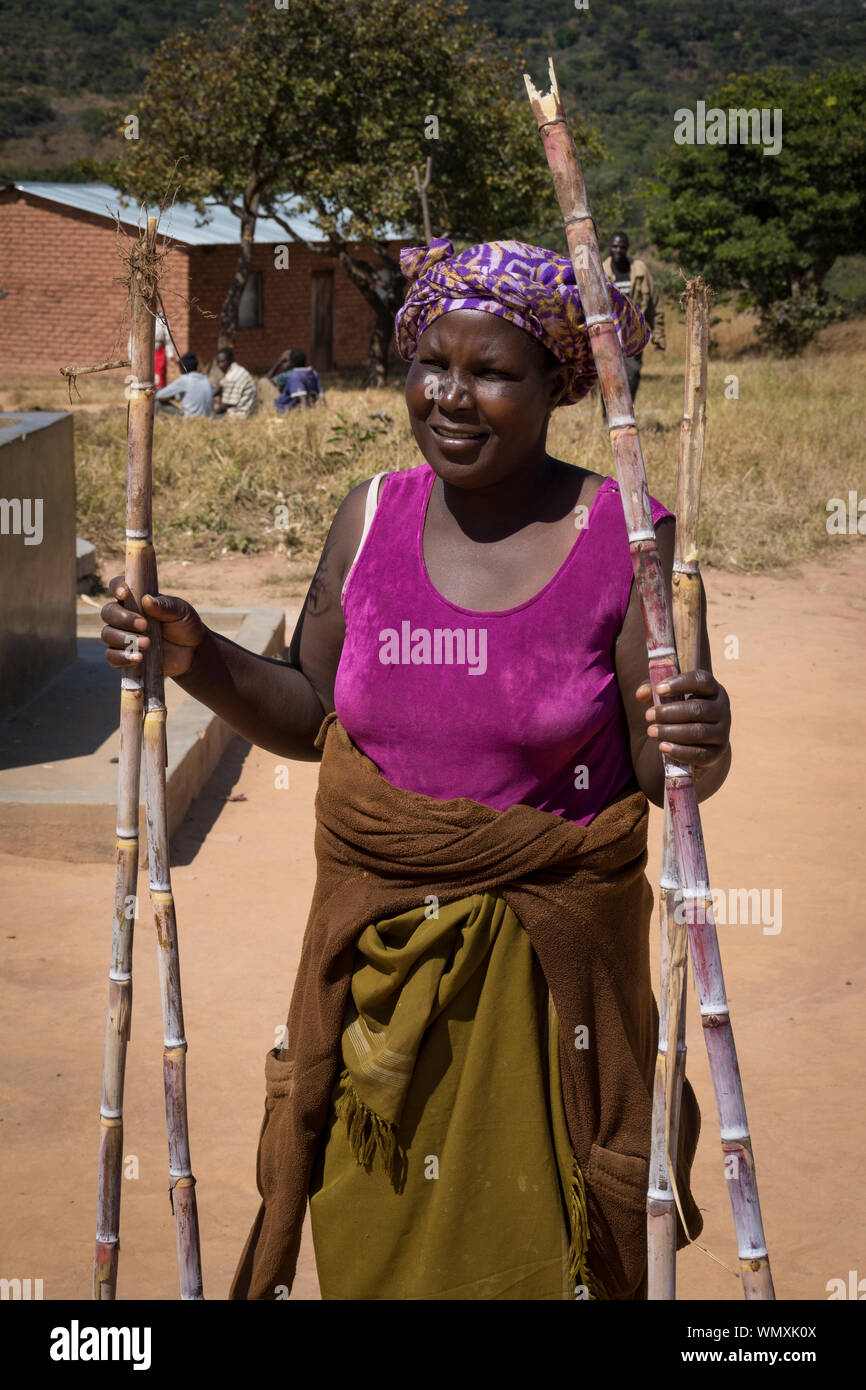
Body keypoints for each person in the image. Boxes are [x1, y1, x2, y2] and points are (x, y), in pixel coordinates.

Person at [99, 236, 732, 1302]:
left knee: (541, 1254)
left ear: (554, 384)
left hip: (546, 1008)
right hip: (377, 1003)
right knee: (375, 1240)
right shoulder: (372, 517)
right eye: (430, 365)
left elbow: (661, 773)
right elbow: (310, 716)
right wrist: (192, 653)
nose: (449, 397)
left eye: (489, 372)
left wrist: (700, 741)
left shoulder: (625, 541)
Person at [602, 232, 666, 405]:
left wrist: (659, 336)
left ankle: (627, 413)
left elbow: (654, 304)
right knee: (609, 376)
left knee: (633, 374)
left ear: (627, 248)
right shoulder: (601, 271)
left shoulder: (640, 270)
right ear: (609, 247)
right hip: (608, 333)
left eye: (622, 247)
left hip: (633, 332)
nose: (618, 250)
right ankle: (607, 418)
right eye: (615, 246)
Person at [154, 352, 214, 418]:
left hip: (191, 419)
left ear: (183, 368)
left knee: (158, 402)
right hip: (207, 418)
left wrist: (157, 391)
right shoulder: (205, 378)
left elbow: (159, 395)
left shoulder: (185, 379)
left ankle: (154, 423)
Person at [127, 312, 174, 390]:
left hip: (158, 352)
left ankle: (159, 395)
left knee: (159, 373)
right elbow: (132, 338)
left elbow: (168, 337)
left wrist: (170, 352)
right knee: (144, 374)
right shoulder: (140, 319)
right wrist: (131, 354)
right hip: (143, 352)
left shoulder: (162, 320)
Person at [212, 347, 259, 418]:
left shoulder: (231, 377)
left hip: (243, 414)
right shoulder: (237, 369)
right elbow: (221, 387)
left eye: (222, 361)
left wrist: (213, 412)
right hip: (251, 410)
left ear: (231, 360)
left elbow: (226, 405)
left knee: (213, 418)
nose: (220, 365)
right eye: (218, 362)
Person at [274, 349, 324, 413]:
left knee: (263, 381)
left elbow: (301, 397)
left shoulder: (294, 376)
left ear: (291, 363)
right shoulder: (314, 373)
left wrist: (279, 362)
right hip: (308, 406)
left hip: (283, 408)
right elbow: (321, 394)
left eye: (286, 361)